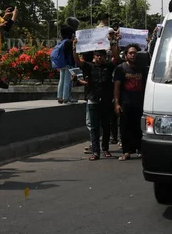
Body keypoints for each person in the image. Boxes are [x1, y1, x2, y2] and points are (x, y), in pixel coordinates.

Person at [72, 33, 121, 161]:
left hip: (106, 101)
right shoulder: (89, 67)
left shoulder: (109, 67)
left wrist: (114, 42)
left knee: (106, 126)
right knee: (94, 128)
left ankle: (105, 149)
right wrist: (74, 47)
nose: (99, 58)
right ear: (94, 57)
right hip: (93, 100)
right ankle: (96, 151)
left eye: (101, 56)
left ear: (105, 57)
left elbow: (116, 58)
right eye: (97, 56)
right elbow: (77, 60)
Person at [114, 44, 147, 161]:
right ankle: (126, 151)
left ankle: (139, 150)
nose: (133, 55)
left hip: (139, 103)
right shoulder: (121, 68)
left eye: (134, 53)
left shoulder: (142, 68)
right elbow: (117, 87)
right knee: (125, 128)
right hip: (125, 103)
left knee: (139, 127)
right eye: (130, 53)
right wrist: (117, 104)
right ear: (126, 55)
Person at [55, 25, 75, 104]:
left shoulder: (61, 41)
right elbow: (71, 54)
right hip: (68, 63)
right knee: (67, 81)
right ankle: (66, 97)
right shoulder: (69, 42)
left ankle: (60, 97)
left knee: (61, 80)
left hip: (61, 63)